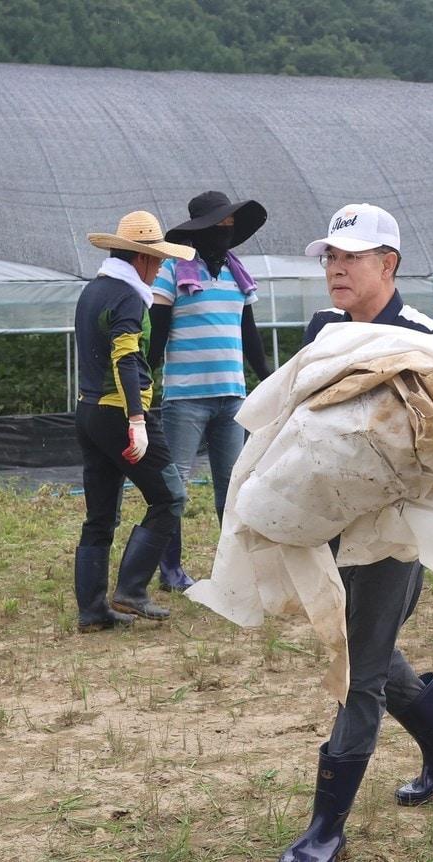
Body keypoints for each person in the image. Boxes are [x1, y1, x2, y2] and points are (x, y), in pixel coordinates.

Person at [278, 204, 433, 862]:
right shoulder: (324, 329)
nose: (335, 268)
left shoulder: (423, 338)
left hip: (394, 529)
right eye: (329, 257)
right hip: (333, 518)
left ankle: (325, 831)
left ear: (387, 265)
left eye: (350, 258)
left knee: (358, 671)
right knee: (365, 644)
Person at [72, 211, 194, 632]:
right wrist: (137, 420)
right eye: (157, 259)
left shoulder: (94, 291)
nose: (160, 267)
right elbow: (125, 357)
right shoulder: (127, 296)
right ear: (140, 258)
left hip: (87, 411)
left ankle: (91, 612)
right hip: (119, 413)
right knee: (170, 497)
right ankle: (132, 590)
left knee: (99, 516)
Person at [148, 191, 273, 592]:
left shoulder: (238, 275)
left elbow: (249, 335)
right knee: (174, 489)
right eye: (217, 226)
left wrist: (270, 379)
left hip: (232, 397)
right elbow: (158, 334)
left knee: (233, 486)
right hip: (185, 398)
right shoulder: (172, 270)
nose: (225, 233)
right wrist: (140, 381)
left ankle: (232, 568)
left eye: (229, 227)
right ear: (197, 232)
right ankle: (170, 570)